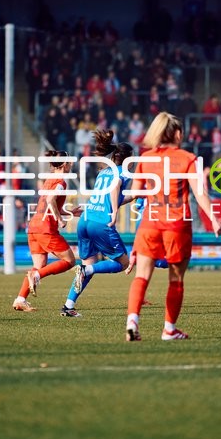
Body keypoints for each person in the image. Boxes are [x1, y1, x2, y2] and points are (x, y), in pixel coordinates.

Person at [125, 112, 221, 342]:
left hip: (149, 224)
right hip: (177, 225)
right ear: (178, 133)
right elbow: (200, 193)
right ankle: (169, 329)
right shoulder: (188, 158)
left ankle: (132, 321)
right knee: (176, 279)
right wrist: (214, 219)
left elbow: (135, 192)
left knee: (141, 276)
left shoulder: (146, 158)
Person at [61, 130, 134, 318]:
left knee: (89, 263)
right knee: (123, 263)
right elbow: (115, 189)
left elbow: (111, 197)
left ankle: (68, 305)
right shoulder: (123, 173)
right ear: (127, 159)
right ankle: (85, 270)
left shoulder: (104, 172)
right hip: (101, 222)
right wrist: (115, 214)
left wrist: (134, 196)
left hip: (86, 220)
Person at [12, 150, 82, 312]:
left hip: (34, 227)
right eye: (70, 162)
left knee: (39, 265)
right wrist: (60, 219)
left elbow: (49, 204)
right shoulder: (61, 181)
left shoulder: (49, 180)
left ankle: (20, 299)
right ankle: (35, 276)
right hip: (46, 229)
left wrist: (70, 212)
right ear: (65, 164)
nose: (71, 164)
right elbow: (50, 200)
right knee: (70, 261)